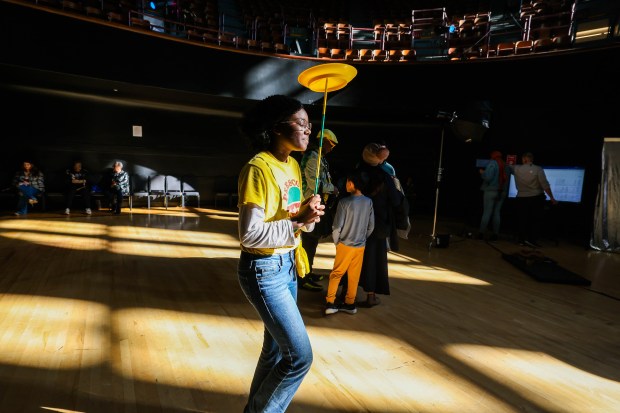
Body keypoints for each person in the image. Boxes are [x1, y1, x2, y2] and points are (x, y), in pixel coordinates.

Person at [236, 94, 325, 413]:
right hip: (263, 269)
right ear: (276, 128)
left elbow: (291, 220)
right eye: (301, 123)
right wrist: (297, 221)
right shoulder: (257, 168)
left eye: (309, 124)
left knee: (274, 353)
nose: (308, 130)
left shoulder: (294, 167)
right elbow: (249, 235)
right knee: (300, 357)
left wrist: (306, 214)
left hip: (287, 265)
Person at [355, 143, 406, 307]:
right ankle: (371, 296)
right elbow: (397, 200)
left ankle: (345, 294)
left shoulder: (356, 172)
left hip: (356, 224)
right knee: (374, 260)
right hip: (378, 225)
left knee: (352, 259)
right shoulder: (384, 176)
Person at [324, 170, 374, 316]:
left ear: (351, 184)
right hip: (360, 245)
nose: (346, 184)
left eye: (347, 181)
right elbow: (371, 226)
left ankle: (330, 302)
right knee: (354, 275)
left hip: (345, 244)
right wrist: (363, 238)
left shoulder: (344, 202)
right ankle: (350, 304)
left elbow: (337, 226)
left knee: (336, 273)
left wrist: (336, 242)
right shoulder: (368, 202)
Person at [298, 128, 340, 291]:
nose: (332, 148)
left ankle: (308, 271)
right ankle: (303, 278)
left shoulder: (319, 157)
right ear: (324, 142)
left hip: (317, 201)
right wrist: (333, 188)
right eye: (331, 145)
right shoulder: (313, 157)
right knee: (309, 241)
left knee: (313, 241)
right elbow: (314, 184)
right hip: (310, 202)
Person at [507, 152, 557, 247]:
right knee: (534, 221)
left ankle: (521, 240)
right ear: (531, 159)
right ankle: (531, 240)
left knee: (522, 220)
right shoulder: (538, 169)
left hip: (520, 199)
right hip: (535, 199)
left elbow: (508, 166)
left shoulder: (516, 168)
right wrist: (552, 198)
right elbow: (545, 185)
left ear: (523, 159)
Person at [477, 150, 508, 241]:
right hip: (502, 192)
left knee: (487, 213)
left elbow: (488, 177)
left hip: (491, 191)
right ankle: (495, 235)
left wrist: (482, 173)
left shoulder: (492, 164)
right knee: (496, 213)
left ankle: (481, 234)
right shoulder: (506, 165)